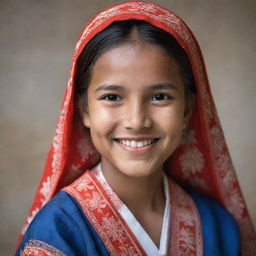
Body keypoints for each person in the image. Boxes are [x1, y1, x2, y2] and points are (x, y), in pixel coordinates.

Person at [15, 1, 256, 255]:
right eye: (112, 97)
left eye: (160, 97)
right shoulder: (57, 232)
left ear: (187, 110)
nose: (137, 121)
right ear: (84, 110)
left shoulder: (218, 227)